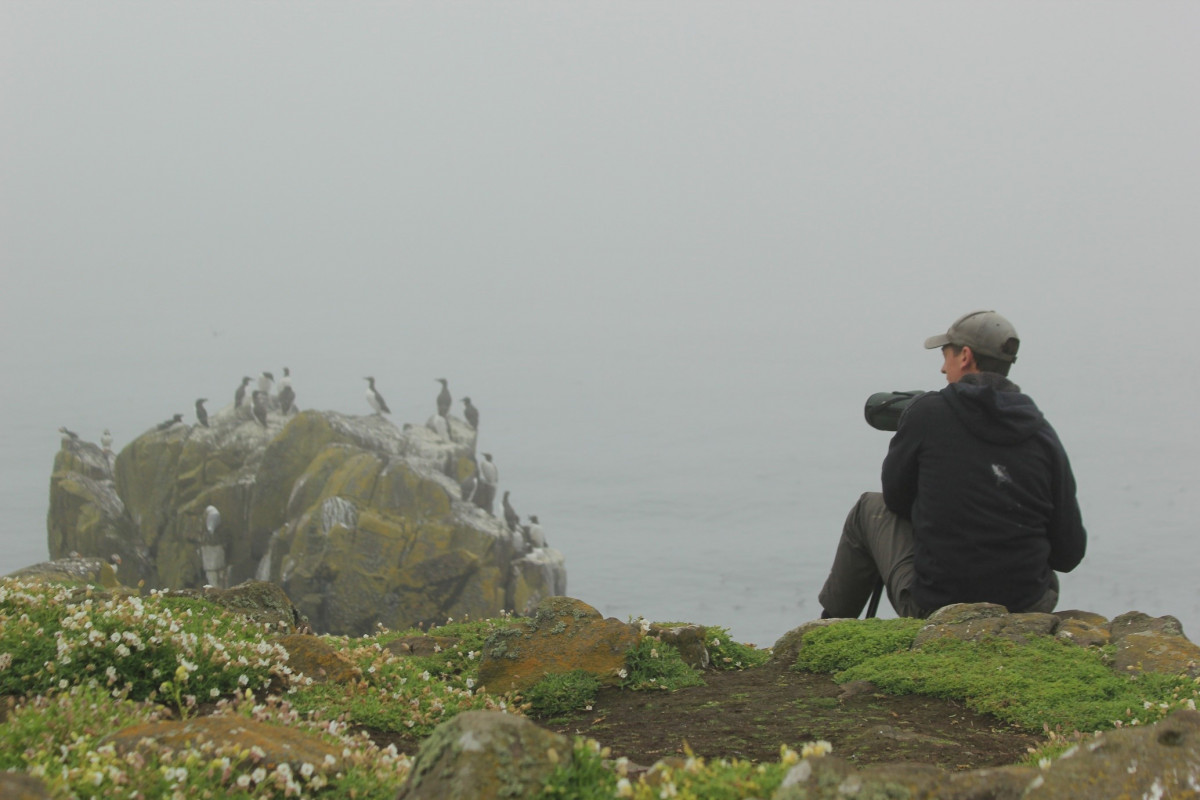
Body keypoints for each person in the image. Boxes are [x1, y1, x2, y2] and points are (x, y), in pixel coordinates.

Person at [818, 310, 1086, 619]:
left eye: (946, 355)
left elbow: (896, 500)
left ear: (965, 357)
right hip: (1026, 606)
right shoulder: (1042, 434)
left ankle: (829, 630)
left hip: (935, 607)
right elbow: (1069, 553)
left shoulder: (927, 414)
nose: (943, 368)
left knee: (869, 508)